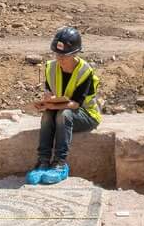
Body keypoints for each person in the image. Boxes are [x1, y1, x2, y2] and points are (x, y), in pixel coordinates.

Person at [26, 26, 101, 186]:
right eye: (57, 54)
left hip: (86, 115)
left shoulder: (85, 71)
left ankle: (60, 164)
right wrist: (46, 102)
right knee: (47, 116)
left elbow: (75, 104)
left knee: (64, 114)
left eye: (64, 56)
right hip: (60, 109)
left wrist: (53, 106)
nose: (59, 59)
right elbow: (50, 92)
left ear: (74, 54)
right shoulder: (51, 68)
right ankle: (43, 161)